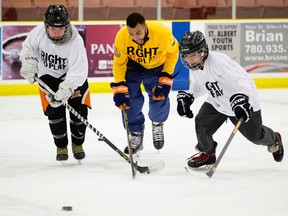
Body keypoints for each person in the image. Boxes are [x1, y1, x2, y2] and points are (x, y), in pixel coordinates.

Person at [177, 30, 284, 169]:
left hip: (239, 103)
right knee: (202, 123)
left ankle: (274, 138)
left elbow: (242, 79)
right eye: (186, 56)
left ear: (203, 51)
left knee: (255, 136)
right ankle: (208, 153)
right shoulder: (197, 65)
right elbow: (201, 83)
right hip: (218, 101)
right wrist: (190, 96)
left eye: (192, 55)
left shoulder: (218, 63)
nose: (189, 59)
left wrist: (242, 98)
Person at [19, 5, 91, 163]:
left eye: (61, 28)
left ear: (67, 26)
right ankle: (61, 146)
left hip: (72, 78)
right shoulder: (38, 32)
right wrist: (28, 61)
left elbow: (79, 70)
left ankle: (78, 144)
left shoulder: (75, 40)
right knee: (54, 114)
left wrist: (67, 87)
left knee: (79, 113)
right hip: (48, 77)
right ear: (46, 26)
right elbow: (27, 48)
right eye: (53, 28)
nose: (57, 32)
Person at [110, 12, 179, 155]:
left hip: (157, 67)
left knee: (158, 96)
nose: (135, 38)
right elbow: (119, 63)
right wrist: (120, 86)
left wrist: (166, 74)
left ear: (145, 27)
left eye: (138, 33)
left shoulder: (162, 33)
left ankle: (157, 123)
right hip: (133, 68)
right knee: (130, 101)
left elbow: (173, 52)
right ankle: (135, 134)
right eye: (131, 34)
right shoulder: (122, 37)